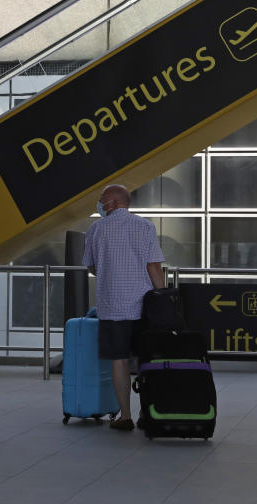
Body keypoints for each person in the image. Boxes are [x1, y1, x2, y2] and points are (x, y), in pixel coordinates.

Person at [82, 184, 165, 431]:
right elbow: (154, 267)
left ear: (113, 202)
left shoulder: (96, 229)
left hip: (111, 306)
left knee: (118, 360)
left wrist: (108, 271)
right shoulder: (145, 226)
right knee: (146, 360)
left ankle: (125, 415)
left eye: (101, 200)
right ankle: (148, 413)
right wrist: (161, 299)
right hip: (142, 306)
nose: (99, 204)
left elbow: (91, 266)